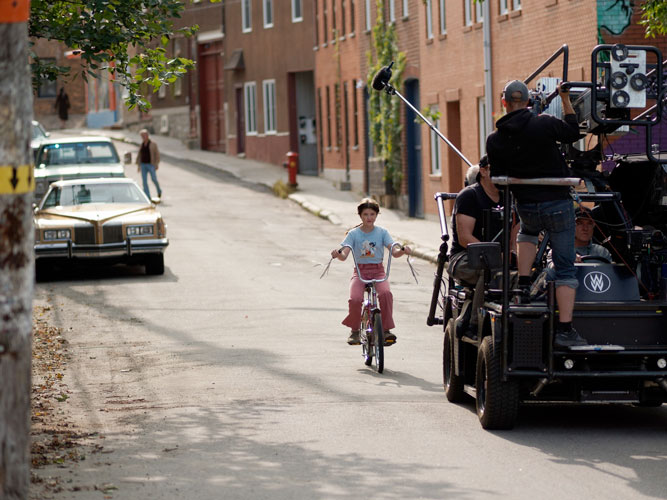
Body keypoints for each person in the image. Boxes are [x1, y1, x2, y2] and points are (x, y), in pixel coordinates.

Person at [486, 79, 587, 348]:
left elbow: (497, 179)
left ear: (504, 102)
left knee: (528, 232)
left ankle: (523, 284)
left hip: (526, 205)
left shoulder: (495, 139)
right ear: (528, 102)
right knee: (565, 268)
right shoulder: (543, 123)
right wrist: (565, 99)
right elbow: (573, 132)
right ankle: (565, 330)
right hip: (557, 205)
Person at [331, 198, 411, 346]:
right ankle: (354, 331)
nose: (369, 217)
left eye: (372, 214)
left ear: (377, 215)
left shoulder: (382, 232)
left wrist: (403, 251)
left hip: (378, 272)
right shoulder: (353, 234)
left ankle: (386, 330)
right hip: (360, 272)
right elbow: (344, 255)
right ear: (360, 216)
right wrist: (338, 255)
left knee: (386, 294)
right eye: (366, 214)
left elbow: (394, 251)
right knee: (355, 299)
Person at [448, 157, 509, 336]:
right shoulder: (469, 196)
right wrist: (495, 255)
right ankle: (473, 324)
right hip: (464, 258)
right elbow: (464, 238)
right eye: (496, 169)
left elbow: (515, 236)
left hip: (500, 259)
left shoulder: (509, 197)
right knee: (491, 269)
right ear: (483, 171)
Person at [136, 129, 162, 199]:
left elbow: (157, 155)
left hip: (151, 164)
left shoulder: (153, 144)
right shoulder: (142, 144)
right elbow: (139, 155)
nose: (143, 137)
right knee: (144, 181)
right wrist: (138, 165)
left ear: (147, 135)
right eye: (142, 136)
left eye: (144, 135)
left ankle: (159, 190)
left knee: (154, 179)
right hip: (143, 165)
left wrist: (156, 164)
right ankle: (147, 196)